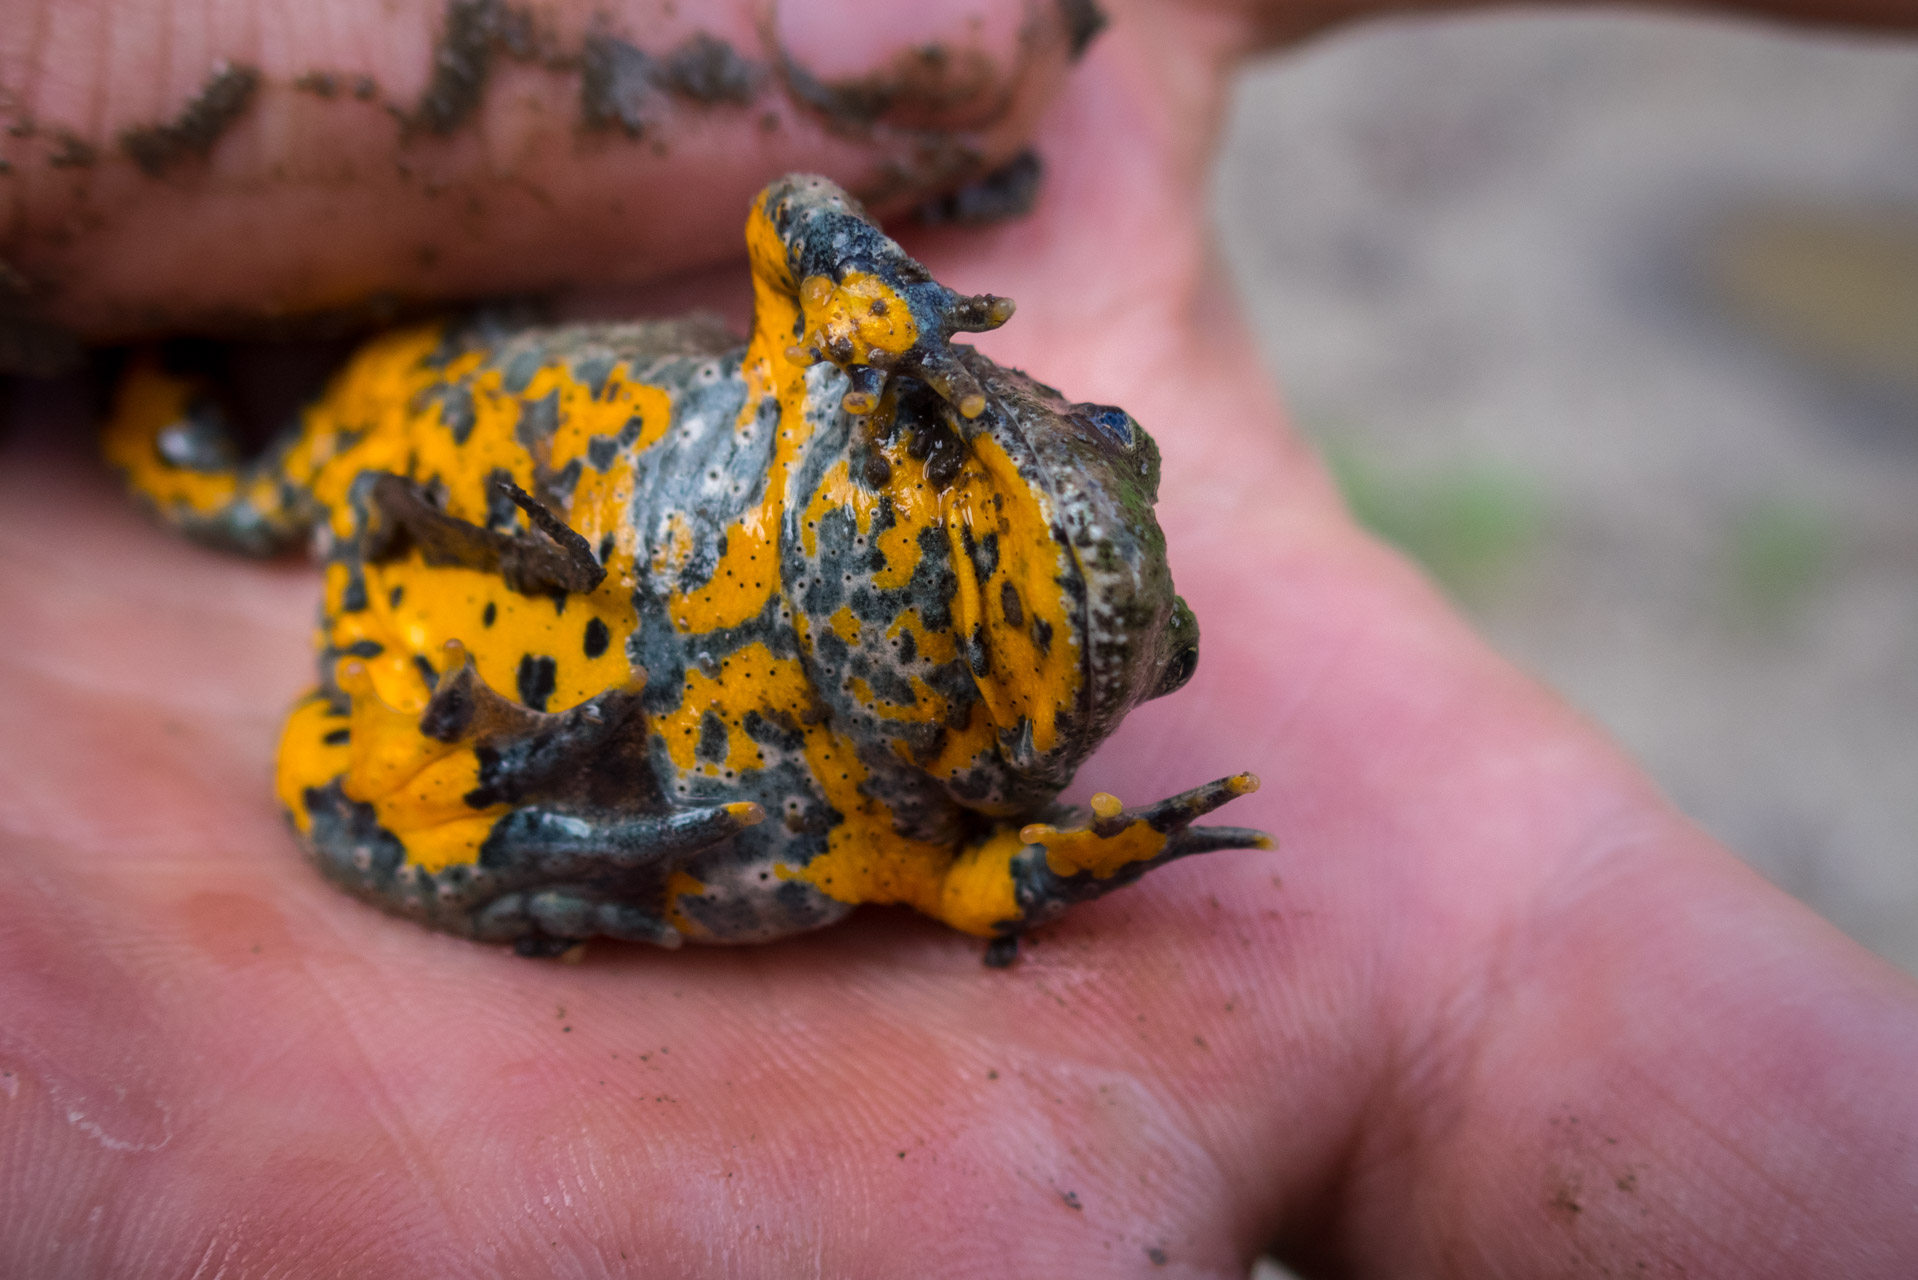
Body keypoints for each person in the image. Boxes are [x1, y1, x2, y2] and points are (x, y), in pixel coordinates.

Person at [3, 0, 1914, 1273]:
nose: (1141, 627)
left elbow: (985, 886)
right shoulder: (847, 394)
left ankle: (435, 795)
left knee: (404, 725)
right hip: (466, 456)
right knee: (255, 483)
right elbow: (798, 207)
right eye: (1110, 468)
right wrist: (890, 292)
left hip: (478, 703)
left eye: (1129, 660)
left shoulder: (882, 800)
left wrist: (1085, 859)